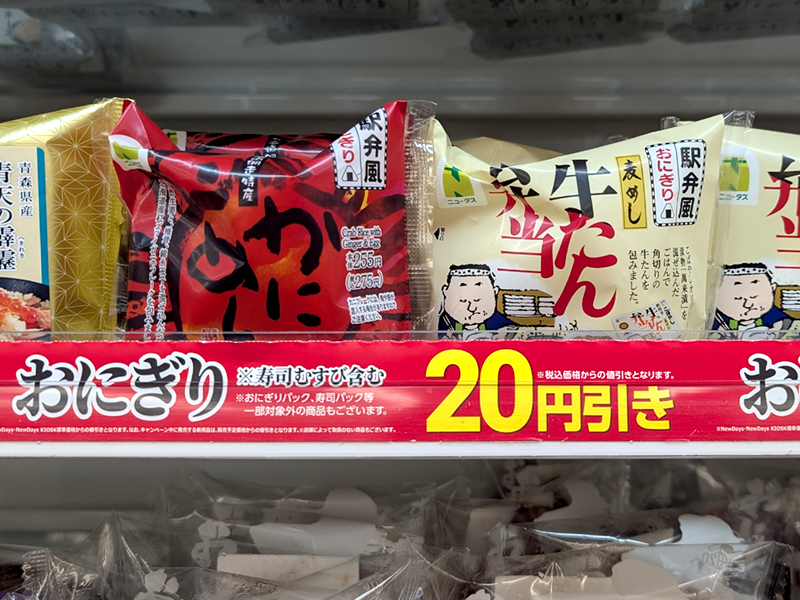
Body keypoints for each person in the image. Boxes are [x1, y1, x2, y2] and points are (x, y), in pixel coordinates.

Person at [713, 263, 794, 332]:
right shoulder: (718, 319)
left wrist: (776, 329)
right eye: (738, 298)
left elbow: (783, 322)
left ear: (772, 288)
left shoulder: (772, 315)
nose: (748, 304)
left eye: (753, 297)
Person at [438, 264, 514, 335]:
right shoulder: (444, 323)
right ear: (445, 292)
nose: (471, 308)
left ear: (494, 292)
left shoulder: (502, 326)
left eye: (477, 300)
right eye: (463, 301)